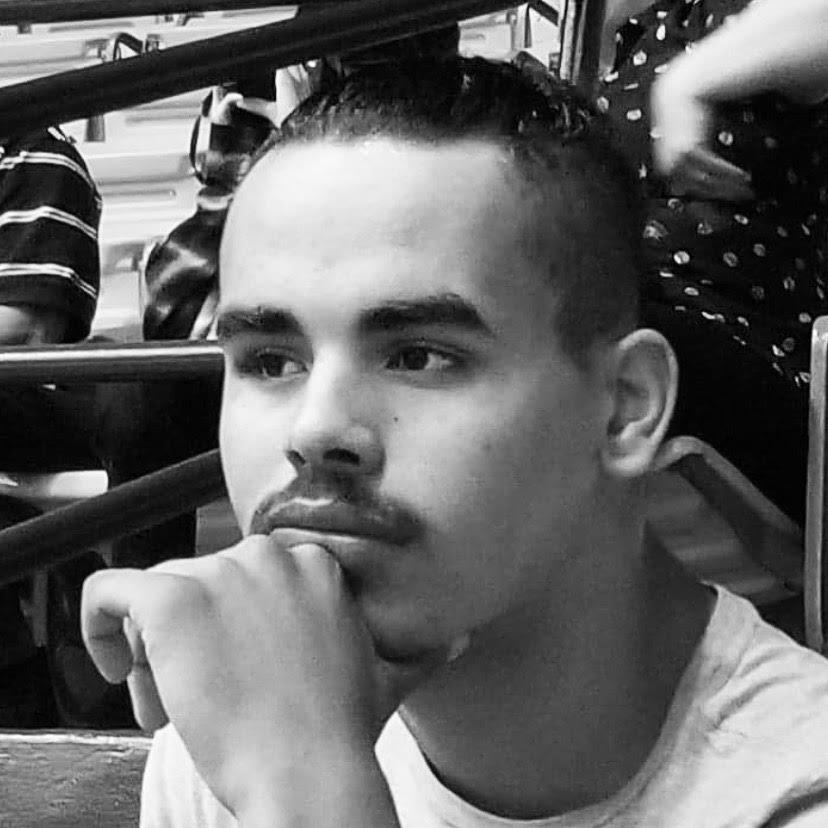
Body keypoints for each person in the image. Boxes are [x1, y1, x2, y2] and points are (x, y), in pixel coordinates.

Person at [81, 57, 828, 828]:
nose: (315, 430)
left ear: (624, 408)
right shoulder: (241, 727)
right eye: (271, 362)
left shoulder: (798, 794)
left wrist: (307, 792)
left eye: (418, 357)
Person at [597, 0, 828, 524]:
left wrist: (687, 81)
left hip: (756, 357)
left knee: (576, 331)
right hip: (640, 332)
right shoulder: (640, 33)